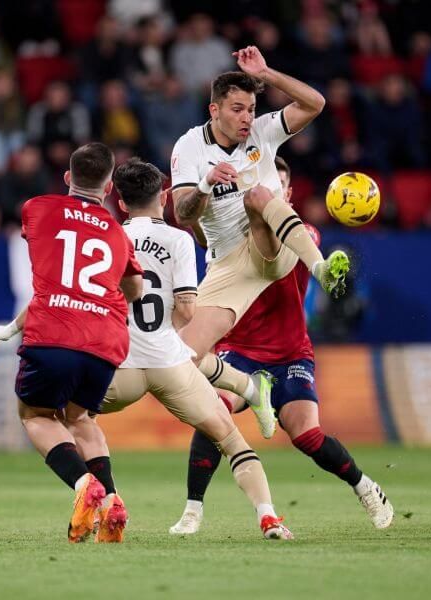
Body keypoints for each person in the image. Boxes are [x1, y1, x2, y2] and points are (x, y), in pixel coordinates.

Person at [172, 157, 393, 534]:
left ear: (286, 194)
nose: (271, 191)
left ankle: (366, 487)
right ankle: (193, 511)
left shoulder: (303, 232)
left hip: (290, 352)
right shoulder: (231, 239)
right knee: (213, 418)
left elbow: (283, 247)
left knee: (307, 435)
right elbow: (203, 232)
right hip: (238, 350)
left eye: (278, 186)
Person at [97, 158, 293, 540]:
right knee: (231, 439)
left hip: (122, 366)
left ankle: (106, 499)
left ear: (120, 202)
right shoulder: (179, 239)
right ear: (164, 196)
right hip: (171, 363)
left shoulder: (107, 238)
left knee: (69, 420)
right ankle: (268, 517)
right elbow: (187, 309)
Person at [169, 46, 349, 429]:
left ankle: (319, 266)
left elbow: (315, 103)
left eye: (251, 108)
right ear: (214, 110)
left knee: (258, 196)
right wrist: (203, 185)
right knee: (179, 358)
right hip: (230, 263)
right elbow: (181, 213)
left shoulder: (264, 132)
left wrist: (267, 74)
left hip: (275, 247)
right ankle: (251, 390)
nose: (247, 117)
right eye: (237, 109)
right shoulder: (189, 147)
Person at [0, 143, 144, 543]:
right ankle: (110, 503)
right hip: (105, 342)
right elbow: (136, 289)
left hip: (54, 334)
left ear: (69, 178)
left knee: (36, 415)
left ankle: (83, 485)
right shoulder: (117, 234)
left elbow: (54, 278)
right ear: (108, 187)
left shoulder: (37, 208)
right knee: (81, 418)